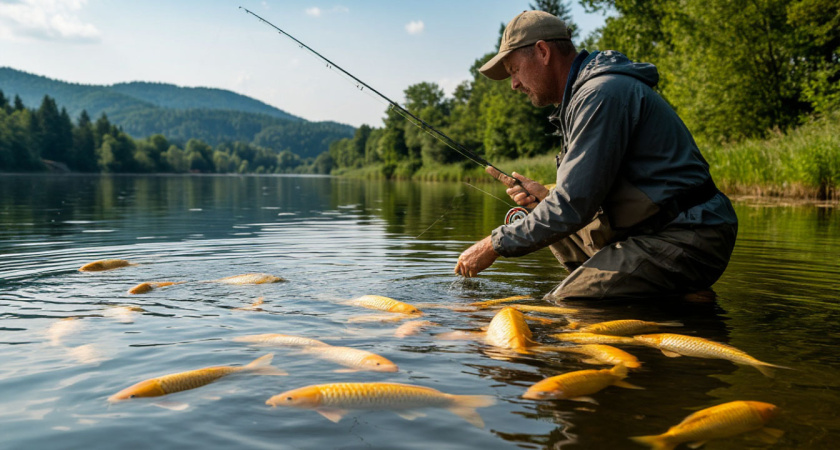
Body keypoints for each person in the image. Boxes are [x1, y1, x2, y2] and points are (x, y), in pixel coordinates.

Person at [454, 10, 738, 301]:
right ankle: (677, 299)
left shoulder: (600, 95)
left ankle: (668, 292)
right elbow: (579, 197)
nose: (513, 84)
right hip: (658, 230)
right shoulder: (585, 97)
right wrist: (545, 197)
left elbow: (573, 206)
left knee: (565, 302)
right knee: (548, 215)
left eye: (514, 70)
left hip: (689, 234)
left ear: (542, 52)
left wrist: (493, 244)